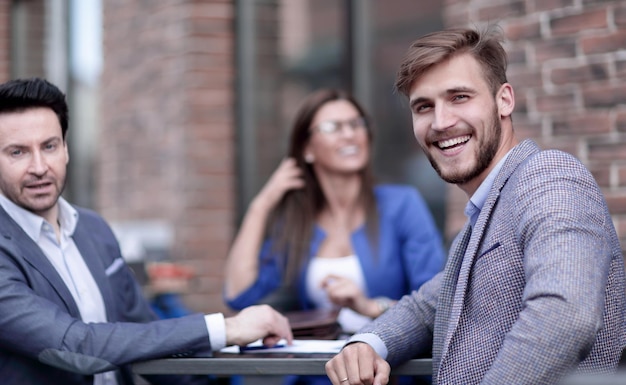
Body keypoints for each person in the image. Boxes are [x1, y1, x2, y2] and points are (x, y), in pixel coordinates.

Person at [325, 26, 626, 385]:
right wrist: (366, 343)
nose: (441, 122)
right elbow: (425, 308)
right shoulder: (485, 214)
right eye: (424, 106)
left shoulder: (548, 176)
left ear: (504, 100)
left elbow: (564, 315)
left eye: (459, 97)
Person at [0, 77, 293, 385]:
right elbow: (76, 347)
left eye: (49, 146)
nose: (39, 166)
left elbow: (144, 333)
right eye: (17, 152)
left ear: (66, 149)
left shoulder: (93, 229)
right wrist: (225, 329)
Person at [223, 88, 446, 385]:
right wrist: (262, 203)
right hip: (320, 375)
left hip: (387, 374)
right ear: (308, 149)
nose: (349, 135)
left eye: (356, 124)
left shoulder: (402, 205)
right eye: (333, 127)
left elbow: (440, 308)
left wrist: (368, 306)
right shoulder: (298, 224)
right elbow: (239, 295)